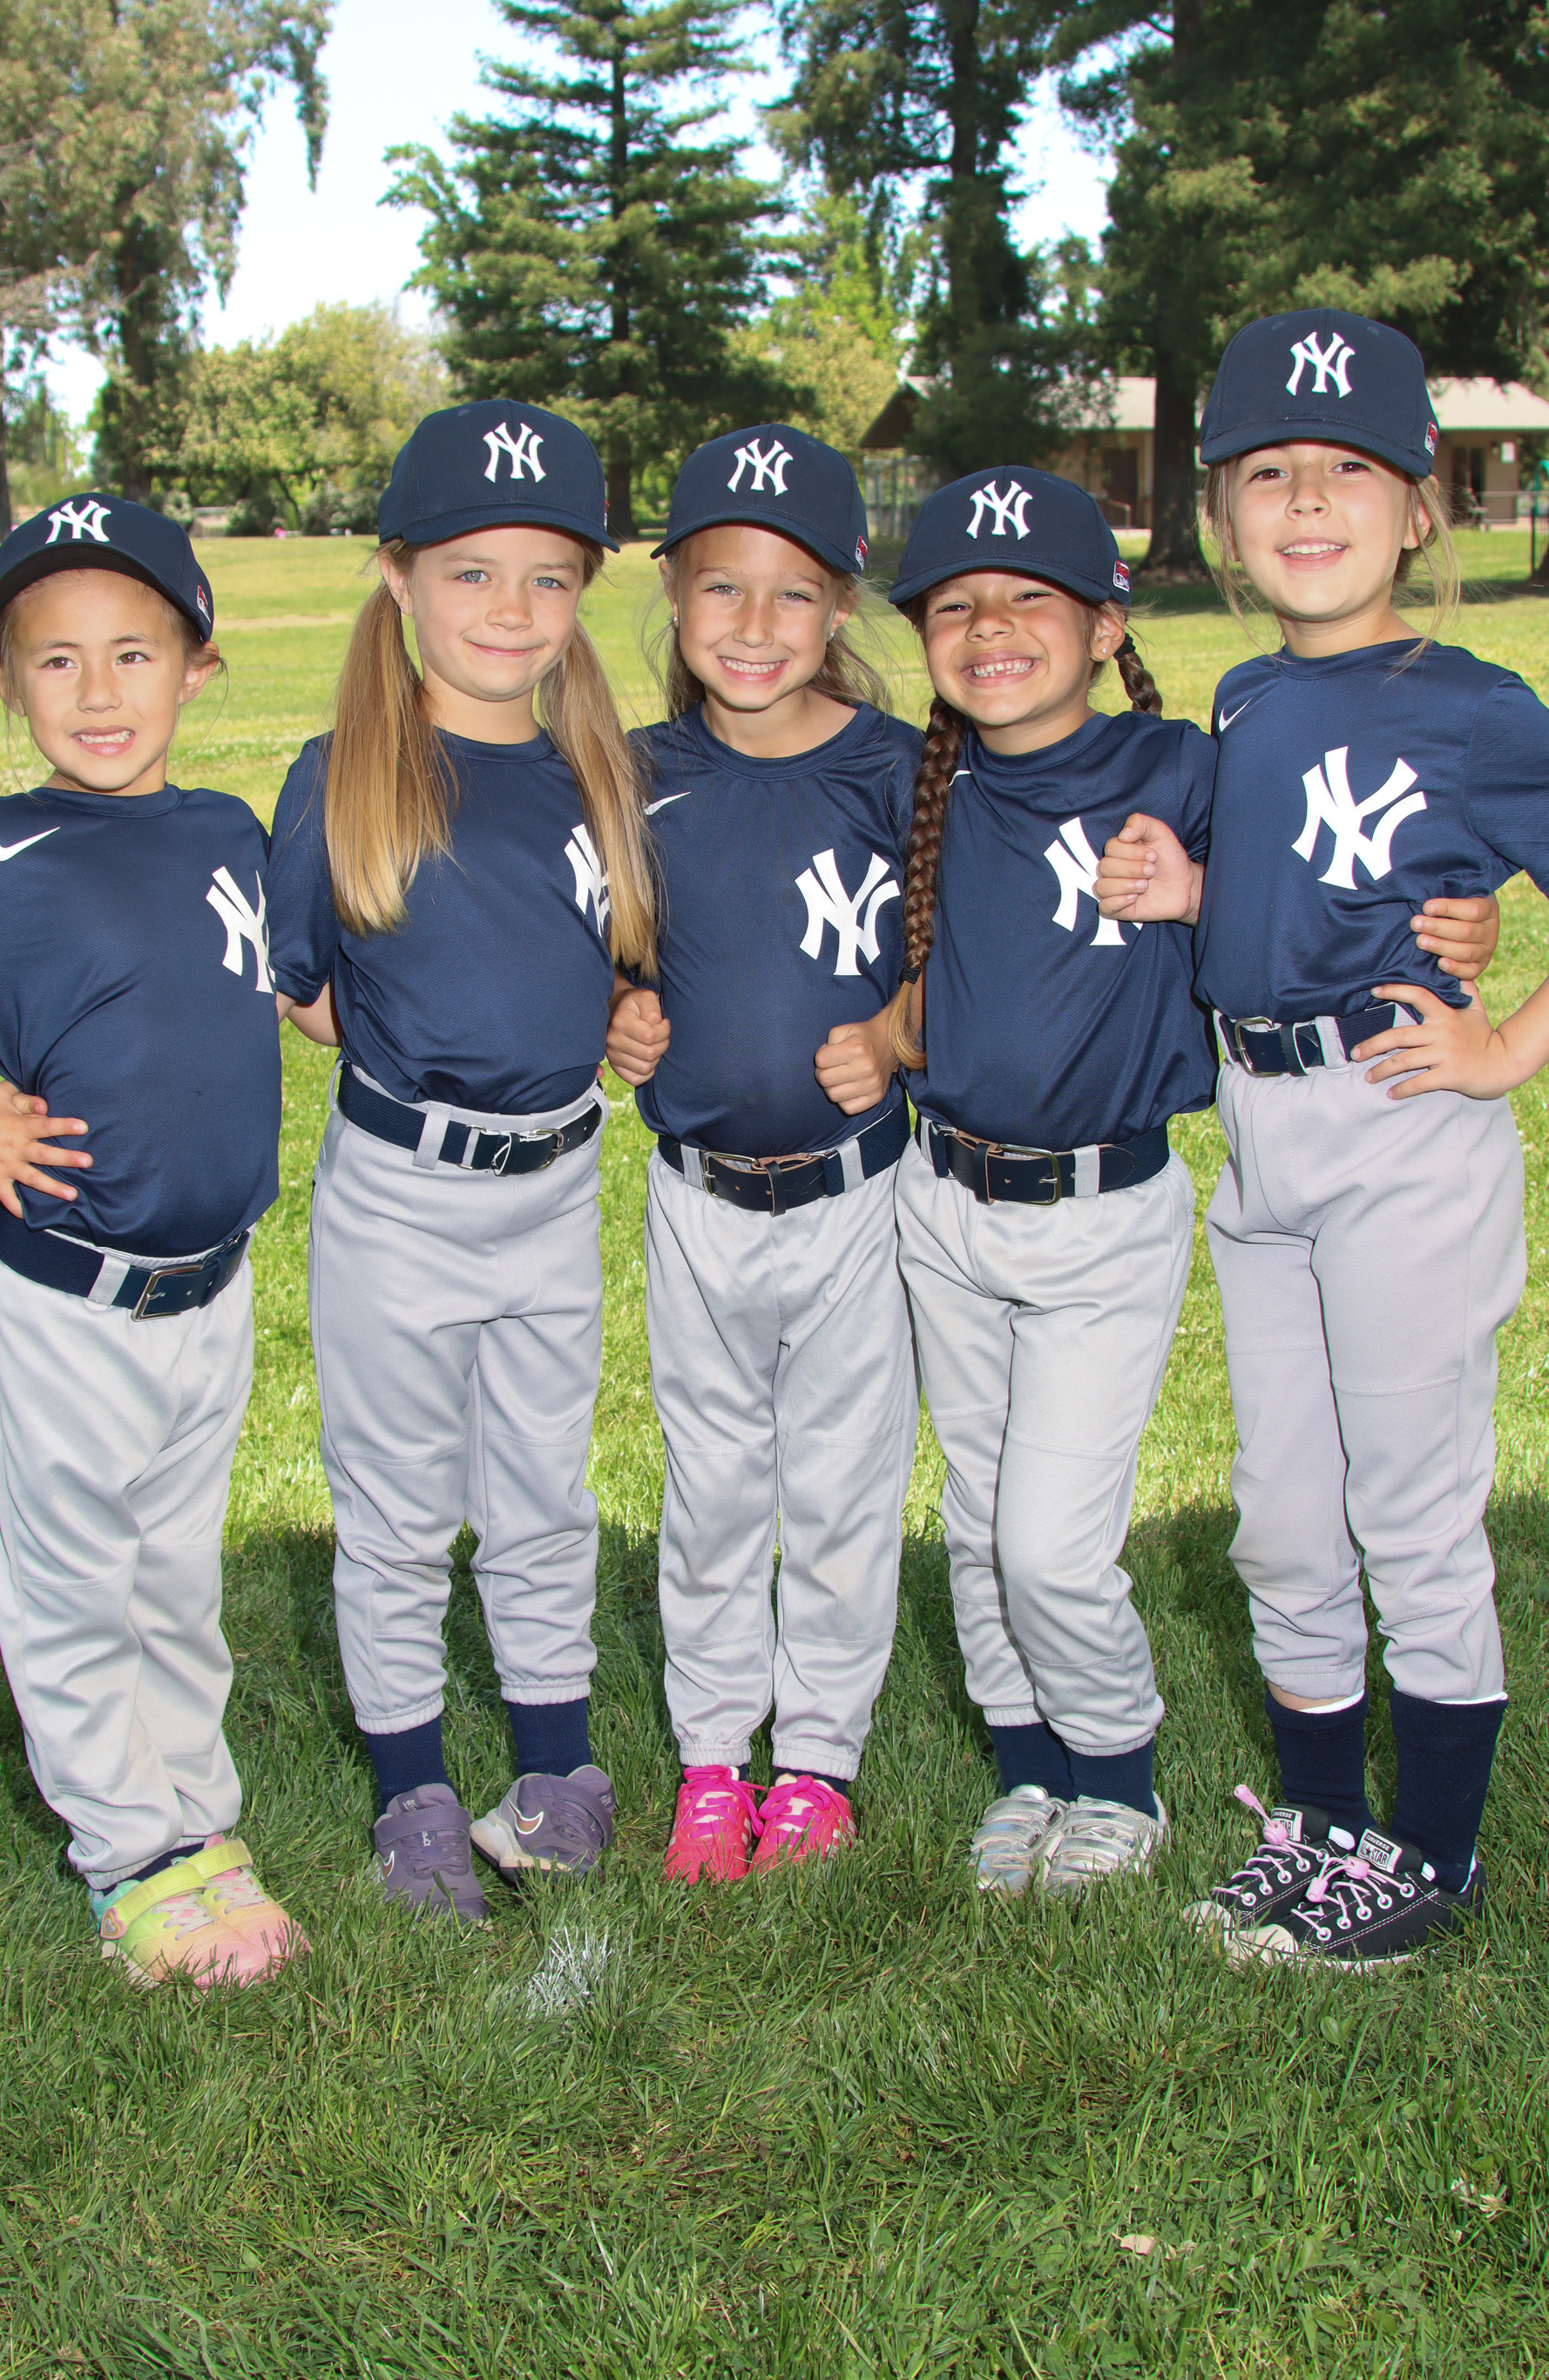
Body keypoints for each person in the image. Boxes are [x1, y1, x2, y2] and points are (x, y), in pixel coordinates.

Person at [887, 468, 1498, 1902]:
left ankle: (1118, 1772)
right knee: (981, 1522)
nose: (990, 628)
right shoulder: (912, 777)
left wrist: (1452, 914)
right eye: (955, 607)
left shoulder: (1185, 763)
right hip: (944, 1197)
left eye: (1030, 599)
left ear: (1109, 626)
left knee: (1048, 1540)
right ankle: (1031, 1762)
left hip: (1111, 1207)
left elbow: (1312, 885)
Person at [0, 497, 303, 1988]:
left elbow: (275, 997)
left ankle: (198, 1821)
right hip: (69, 1293)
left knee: (176, 1579)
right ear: (5, 681)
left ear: (197, 667)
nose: (98, 691)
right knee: (76, 1586)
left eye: (133, 654)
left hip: (210, 1290)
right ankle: (128, 1858)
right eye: (56, 660)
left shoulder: (227, 833)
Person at [1096, 308, 1538, 1967]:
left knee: (1410, 1507)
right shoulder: (1252, 693)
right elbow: (1302, 884)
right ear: (1219, 512)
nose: (1304, 502)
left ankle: (1435, 1855)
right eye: (1267, 471)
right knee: (1285, 1515)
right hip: (1264, 1132)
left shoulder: (1473, 704)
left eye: (1348, 471)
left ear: (1420, 506)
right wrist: (1198, 893)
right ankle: (1325, 1824)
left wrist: (1502, 1049)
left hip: (1403, 1127)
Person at [267, 401, 660, 1922]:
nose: (512, 608)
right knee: (395, 1505)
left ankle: (556, 1770)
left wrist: (622, 1016)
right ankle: (412, 1789)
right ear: (400, 577)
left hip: (555, 1184)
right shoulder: (341, 775)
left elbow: (609, 970)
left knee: (545, 1489)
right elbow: (307, 994)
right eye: (472, 573)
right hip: (402, 1195)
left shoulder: (596, 774)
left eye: (549, 578)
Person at [606, 427, 922, 1882]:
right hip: (699, 1197)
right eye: (722, 586)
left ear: (842, 607)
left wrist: (900, 1034)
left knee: (844, 1489)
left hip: (859, 1192)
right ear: (676, 594)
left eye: (794, 593)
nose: (754, 623)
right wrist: (614, 1010)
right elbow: (597, 951)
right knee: (716, 1487)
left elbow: (974, 954)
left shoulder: (905, 773)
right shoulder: (632, 773)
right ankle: (714, 1756)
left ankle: (819, 1764)